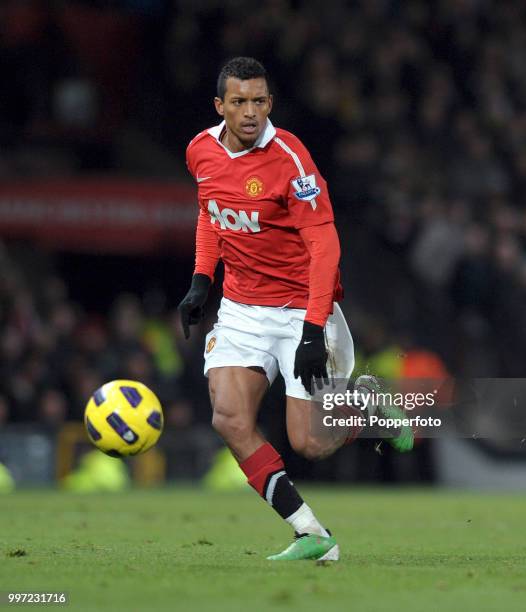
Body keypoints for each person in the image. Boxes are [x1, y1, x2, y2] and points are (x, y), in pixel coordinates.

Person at [178, 57, 357, 561]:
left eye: (259, 101)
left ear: (270, 104)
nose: (250, 112)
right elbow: (212, 215)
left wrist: (311, 330)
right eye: (239, 102)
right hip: (240, 308)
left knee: (310, 443)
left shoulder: (292, 162)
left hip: (301, 308)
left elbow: (326, 251)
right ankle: (313, 535)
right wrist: (200, 281)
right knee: (230, 418)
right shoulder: (200, 151)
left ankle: (364, 405)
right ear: (221, 106)